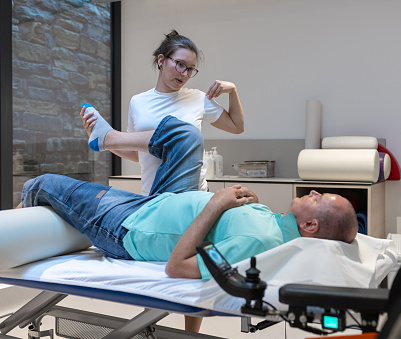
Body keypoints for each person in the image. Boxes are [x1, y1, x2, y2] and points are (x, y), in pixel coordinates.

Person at [21, 116, 358, 280]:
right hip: (168, 199)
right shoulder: (273, 227)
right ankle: (108, 137)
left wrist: (215, 204)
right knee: (187, 135)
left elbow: (177, 267)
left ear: (311, 225)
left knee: (46, 183)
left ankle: (12, 224)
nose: (313, 191)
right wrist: (247, 204)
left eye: (319, 197)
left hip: (133, 227)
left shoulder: (260, 241)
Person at [80, 29, 244, 195]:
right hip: (152, 195)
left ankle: (110, 136)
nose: (185, 73)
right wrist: (102, 141)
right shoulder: (138, 102)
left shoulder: (198, 98)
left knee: (186, 134)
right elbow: (137, 153)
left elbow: (236, 126)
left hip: (193, 194)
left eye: (190, 69)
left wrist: (233, 91)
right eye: (180, 64)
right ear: (161, 61)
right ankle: (107, 138)